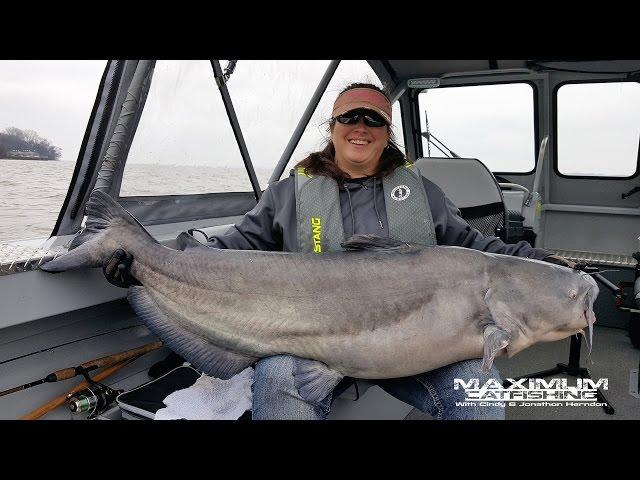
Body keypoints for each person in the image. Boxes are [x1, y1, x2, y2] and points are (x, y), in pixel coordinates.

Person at [104, 82, 575, 420]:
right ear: (333, 127)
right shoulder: (289, 194)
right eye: (351, 116)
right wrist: (146, 264)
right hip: (308, 345)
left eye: (374, 119)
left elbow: (476, 249)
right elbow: (235, 248)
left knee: (480, 394)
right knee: (278, 383)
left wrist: (539, 261)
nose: (361, 127)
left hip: (418, 350)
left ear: (386, 132)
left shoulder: (423, 194)